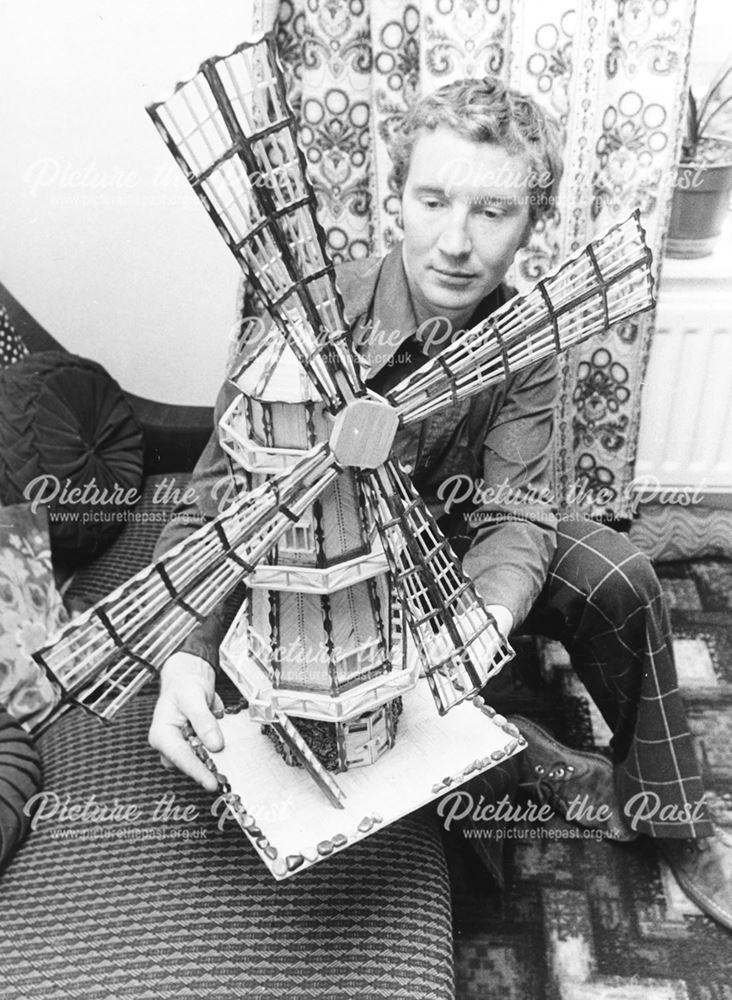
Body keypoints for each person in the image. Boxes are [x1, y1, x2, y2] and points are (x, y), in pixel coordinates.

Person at [148, 75, 732, 929]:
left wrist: (488, 620)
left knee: (622, 572)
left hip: (458, 560)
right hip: (331, 568)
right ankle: (528, 761)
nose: (455, 242)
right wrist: (188, 650)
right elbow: (217, 497)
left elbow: (514, 506)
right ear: (398, 201)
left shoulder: (527, 340)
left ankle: (672, 818)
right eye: (433, 201)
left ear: (531, 223)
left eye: (492, 212)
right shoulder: (311, 319)